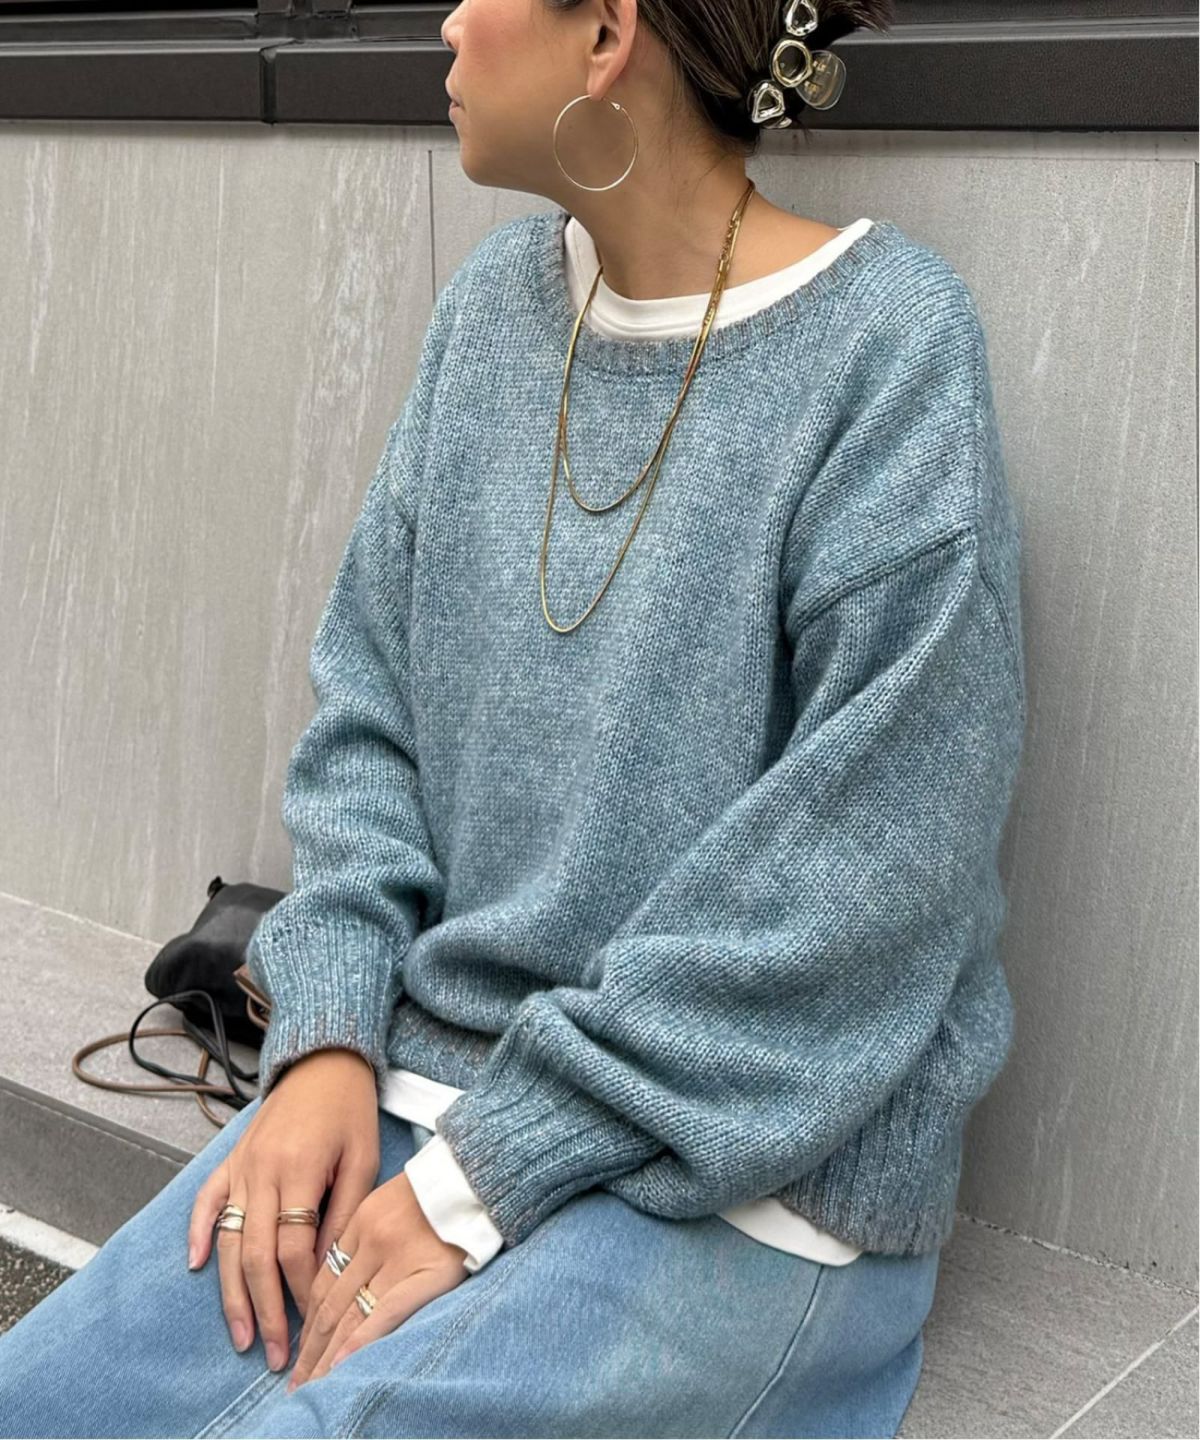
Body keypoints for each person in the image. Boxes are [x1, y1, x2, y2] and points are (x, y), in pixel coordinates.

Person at [0, 0, 1028, 1435]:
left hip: (754, 1174)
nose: (442, 22)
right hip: (426, 1086)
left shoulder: (889, 349)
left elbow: (871, 881)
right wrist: (327, 1040)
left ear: (604, 37)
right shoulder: (493, 312)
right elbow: (369, 725)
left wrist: (480, 1180)